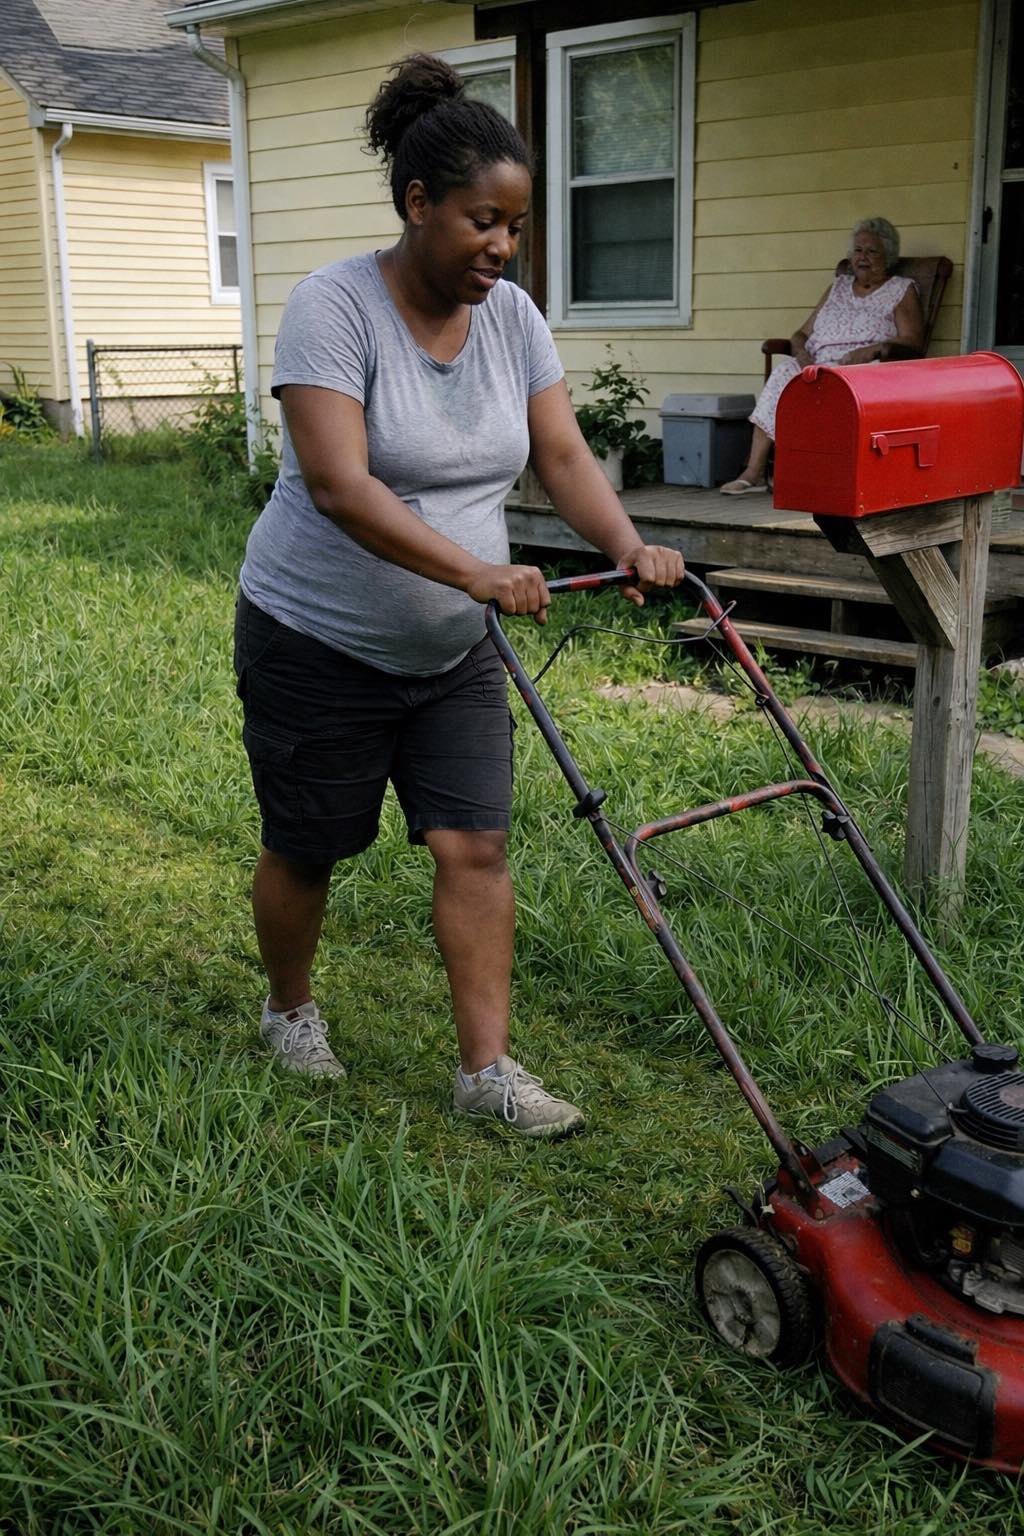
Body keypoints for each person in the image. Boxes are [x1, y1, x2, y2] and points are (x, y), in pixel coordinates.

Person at [233, 54, 685, 1138]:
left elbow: (563, 457)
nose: (502, 247)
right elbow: (340, 485)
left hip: (453, 649)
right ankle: (287, 1009)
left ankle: (485, 1072)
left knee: (474, 844)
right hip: (316, 635)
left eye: (517, 228)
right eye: (484, 221)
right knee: (308, 845)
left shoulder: (514, 319)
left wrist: (628, 542)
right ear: (418, 203)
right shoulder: (331, 309)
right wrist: (478, 568)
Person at [721, 217, 925, 494]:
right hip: (816, 365)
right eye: (857, 250)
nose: (862, 257)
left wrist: (873, 349)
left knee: (842, 385)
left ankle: (826, 475)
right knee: (783, 372)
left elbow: (913, 341)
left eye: (871, 251)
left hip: (864, 369)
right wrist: (802, 354)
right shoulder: (838, 287)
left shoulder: (900, 290)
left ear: (888, 257)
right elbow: (800, 334)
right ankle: (754, 471)